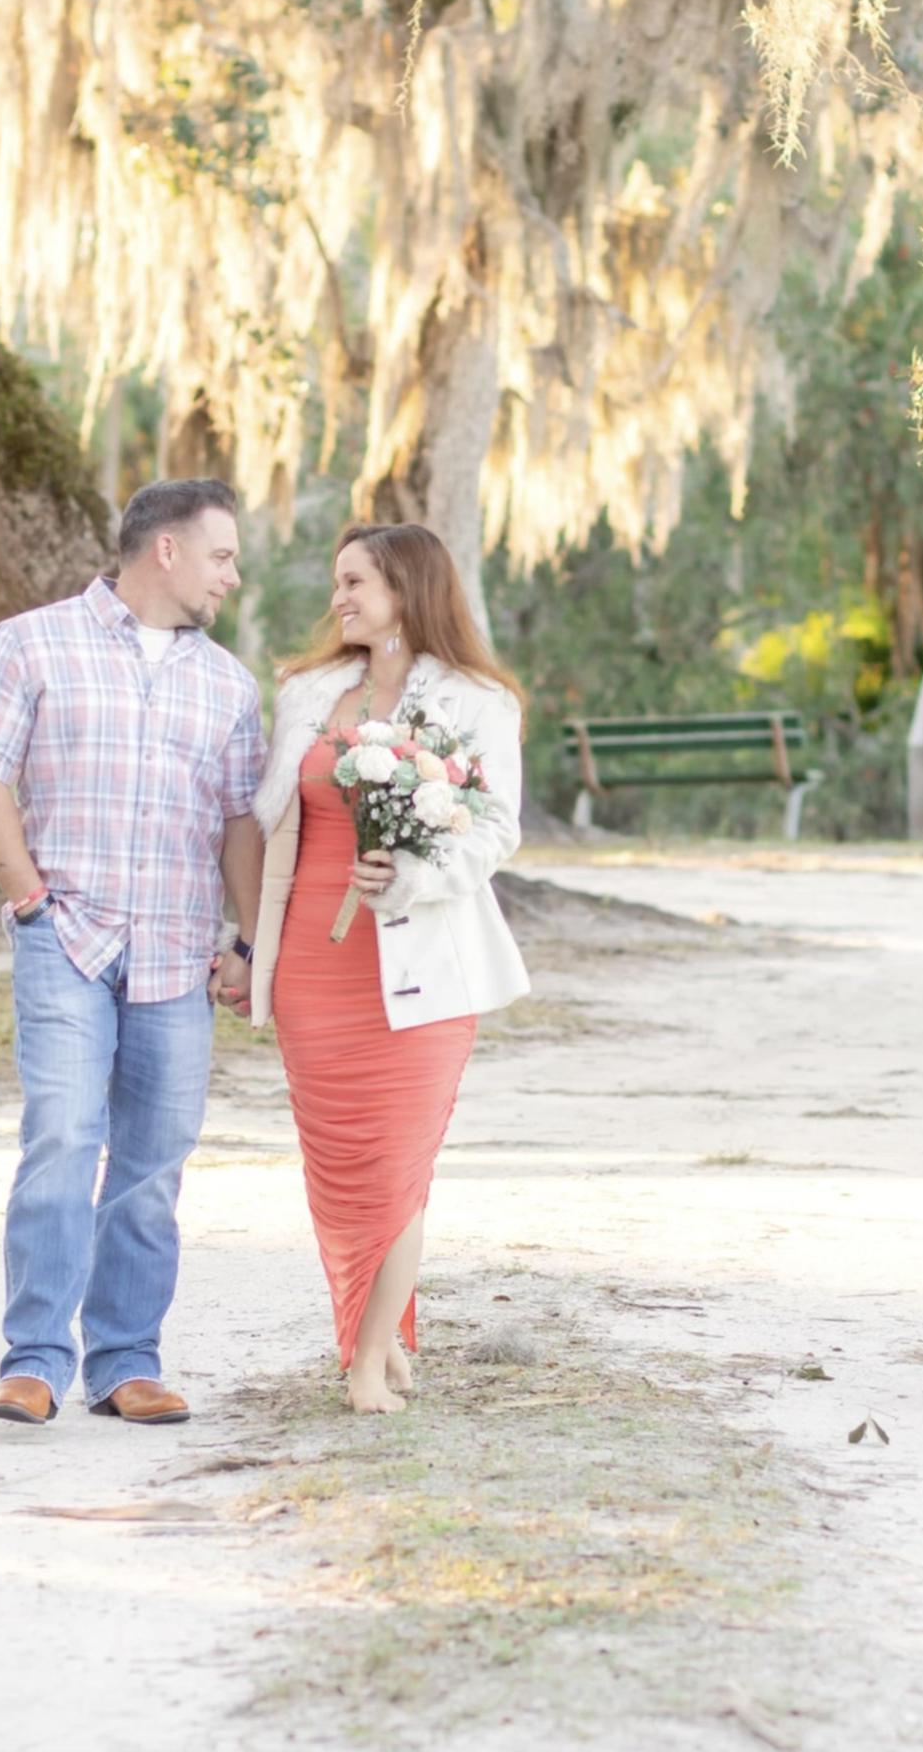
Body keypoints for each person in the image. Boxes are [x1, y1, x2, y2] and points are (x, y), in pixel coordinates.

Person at [0, 479, 264, 1426]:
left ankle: (126, 1362)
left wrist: (246, 941)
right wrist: (27, 896)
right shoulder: (32, 643)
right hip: (66, 940)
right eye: (222, 556)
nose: (231, 576)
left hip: (175, 952)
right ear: (166, 551)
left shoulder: (228, 684)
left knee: (154, 1162)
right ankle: (33, 1358)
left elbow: (240, 823)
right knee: (64, 1141)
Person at [248, 524, 529, 1414]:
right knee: (335, 1169)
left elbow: (495, 829)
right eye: (338, 581)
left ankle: (369, 1362)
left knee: (396, 1164)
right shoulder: (305, 693)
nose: (339, 598)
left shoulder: (479, 700)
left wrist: (412, 872)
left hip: (423, 962)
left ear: (407, 589)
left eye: (356, 581)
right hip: (312, 964)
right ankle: (372, 1340)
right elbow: (272, 822)